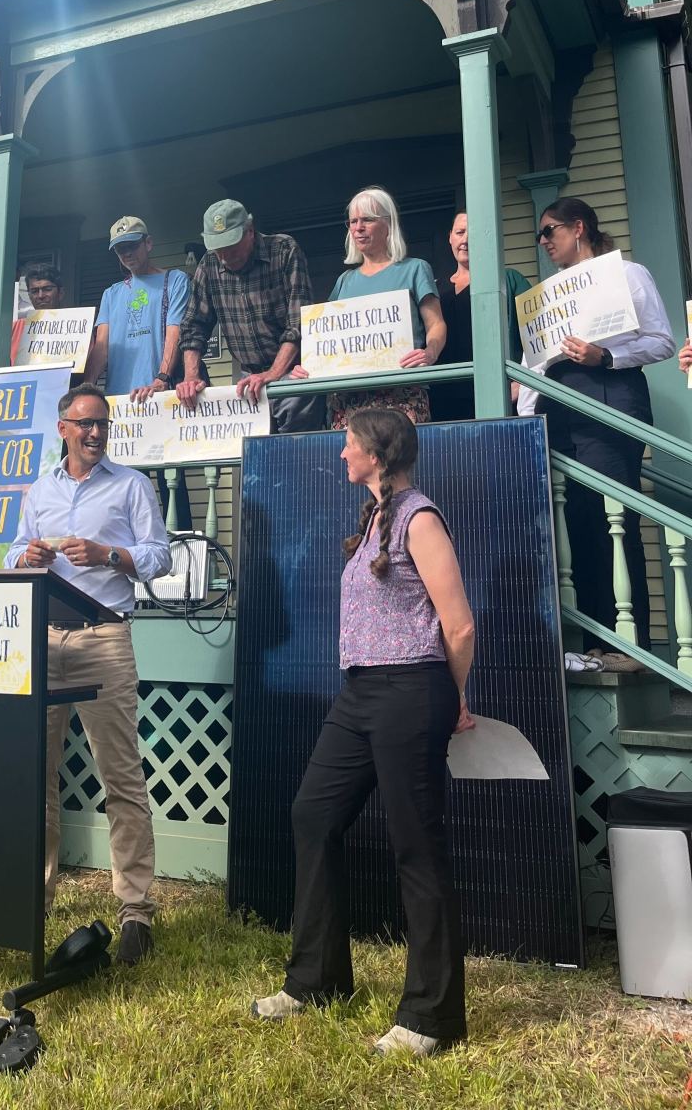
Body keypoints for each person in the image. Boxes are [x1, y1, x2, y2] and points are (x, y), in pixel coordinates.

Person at [251, 408, 475, 1057]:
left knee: (416, 846)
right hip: (361, 693)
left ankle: (431, 1018)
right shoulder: (375, 517)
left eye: (349, 442)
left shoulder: (420, 518)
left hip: (412, 690)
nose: (341, 452)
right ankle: (318, 980)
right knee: (314, 814)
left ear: (375, 451)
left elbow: (457, 625)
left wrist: (455, 699)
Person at [6, 382, 172, 965]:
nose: (96, 432)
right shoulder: (39, 489)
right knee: (36, 774)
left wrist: (107, 556)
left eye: (103, 423)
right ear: (63, 429)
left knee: (120, 773)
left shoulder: (131, 485)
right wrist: (25, 558)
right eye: (85, 424)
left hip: (105, 636)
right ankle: (36, 891)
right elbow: (11, 554)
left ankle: (134, 908)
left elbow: (160, 555)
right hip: (43, 635)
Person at [526, 197, 674, 650]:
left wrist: (606, 356)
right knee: (577, 522)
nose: (544, 241)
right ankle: (592, 641)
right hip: (558, 411)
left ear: (579, 228)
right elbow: (533, 364)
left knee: (615, 521)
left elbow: (662, 341)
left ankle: (629, 647)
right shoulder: (547, 294)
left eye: (549, 230)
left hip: (609, 399)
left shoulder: (627, 274)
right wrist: (525, 417)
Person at [293, 186, 445, 429]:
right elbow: (326, 339)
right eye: (353, 221)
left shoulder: (415, 269)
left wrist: (430, 352)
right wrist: (308, 366)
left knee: (397, 463)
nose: (358, 228)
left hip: (400, 392)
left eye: (367, 220)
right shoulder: (344, 281)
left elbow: (436, 323)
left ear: (388, 224)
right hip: (348, 397)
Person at [177, 200, 321, 433]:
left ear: (250, 231)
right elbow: (194, 325)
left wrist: (273, 374)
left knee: (298, 448)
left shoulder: (284, 250)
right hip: (247, 374)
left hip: (293, 370)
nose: (224, 256)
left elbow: (298, 322)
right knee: (254, 452)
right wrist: (191, 376)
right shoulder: (209, 264)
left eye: (231, 247)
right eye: (218, 248)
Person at [85, 216, 192, 527]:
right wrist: (87, 389)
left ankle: (182, 554)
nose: (126, 254)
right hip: (121, 405)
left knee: (171, 479)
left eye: (132, 245)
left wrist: (160, 378)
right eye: (120, 250)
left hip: (160, 397)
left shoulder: (175, 280)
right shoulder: (111, 294)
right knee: (125, 483)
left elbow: (175, 331)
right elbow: (101, 344)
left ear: (148, 243)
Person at [430, 212, 530, 422]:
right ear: (450, 237)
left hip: (495, 396)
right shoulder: (434, 288)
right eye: (459, 232)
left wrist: (523, 383)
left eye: (472, 233)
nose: (465, 240)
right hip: (441, 399)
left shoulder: (508, 280)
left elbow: (538, 336)